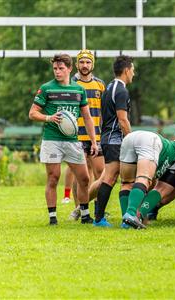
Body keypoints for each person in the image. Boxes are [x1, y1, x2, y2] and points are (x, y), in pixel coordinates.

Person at [28, 53, 97, 225]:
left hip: (73, 141)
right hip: (52, 140)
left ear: (69, 69)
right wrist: (49, 118)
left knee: (84, 178)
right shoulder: (46, 88)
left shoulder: (78, 90)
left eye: (61, 68)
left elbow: (87, 117)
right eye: (55, 69)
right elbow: (32, 113)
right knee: (53, 177)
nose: (57, 72)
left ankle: (85, 214)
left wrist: (94, 141)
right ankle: (53, 218)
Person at [92, 55, 134, 227]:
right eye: (133, 70)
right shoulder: (121, 90)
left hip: (108, 137)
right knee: (110, 178)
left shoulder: (110, 86)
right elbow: (122, 120)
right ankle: (98, 218)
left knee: (112, 177)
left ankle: (97, 214)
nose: (133, 73)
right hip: (114, 139)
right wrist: (130, 139)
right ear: (126, 70)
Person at [66, 49, 106, 219]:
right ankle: (79, 209)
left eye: (88, 62)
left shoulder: (100, 85)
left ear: (92, 64)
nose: (84, 65)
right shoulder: (71, 84)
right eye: (81, 62)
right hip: (77, 136)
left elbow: (105, 111)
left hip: (96, 136)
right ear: (76, 64)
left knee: (101, 172)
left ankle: (97, 207)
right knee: (80, 175)